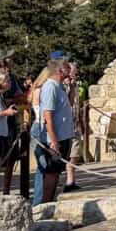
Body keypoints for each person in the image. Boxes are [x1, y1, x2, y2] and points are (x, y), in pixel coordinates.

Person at [35, 60, 74, 204]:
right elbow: (48, 116)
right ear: (59, 70)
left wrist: (72, 86)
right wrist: (54, 141)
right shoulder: (50, 87)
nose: (69, 71)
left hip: (64, 135)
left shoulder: (60, 87)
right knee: (51, 174)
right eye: (67, 68)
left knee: (57, 172)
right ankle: (45, 205)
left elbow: (68, 105)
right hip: (54, 138)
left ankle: (50, 203)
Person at [62, 61, 85, 192]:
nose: (75, 74)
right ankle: (69, 181)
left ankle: (71, 180)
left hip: (75, 122)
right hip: (67, 123)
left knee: (75, 153)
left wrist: (82, 121)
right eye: (73, 72)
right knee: (71, 153)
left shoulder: (75, 85)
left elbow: (77, 105)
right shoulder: (64, 86)